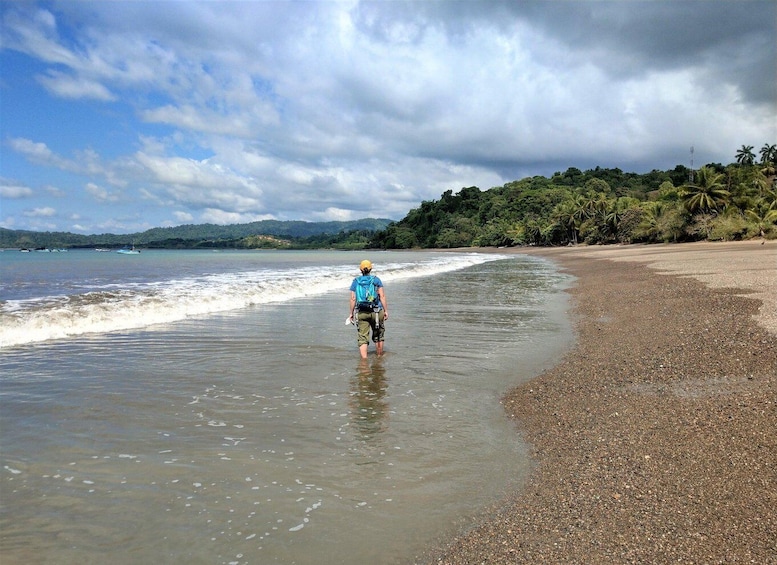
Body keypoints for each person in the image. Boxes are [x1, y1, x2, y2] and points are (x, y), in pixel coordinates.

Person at [348, 260, 388, 358]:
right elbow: (382, 296)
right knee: (378, 335)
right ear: (371, 269)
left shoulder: (356, 281)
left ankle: (364, 362)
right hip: (377, 311)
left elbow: (353, 299)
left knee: (362, 337)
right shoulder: (376, 280)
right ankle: (379, 357)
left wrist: (351, 313)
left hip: (361, 311)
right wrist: (386, 310)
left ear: (360, 269)